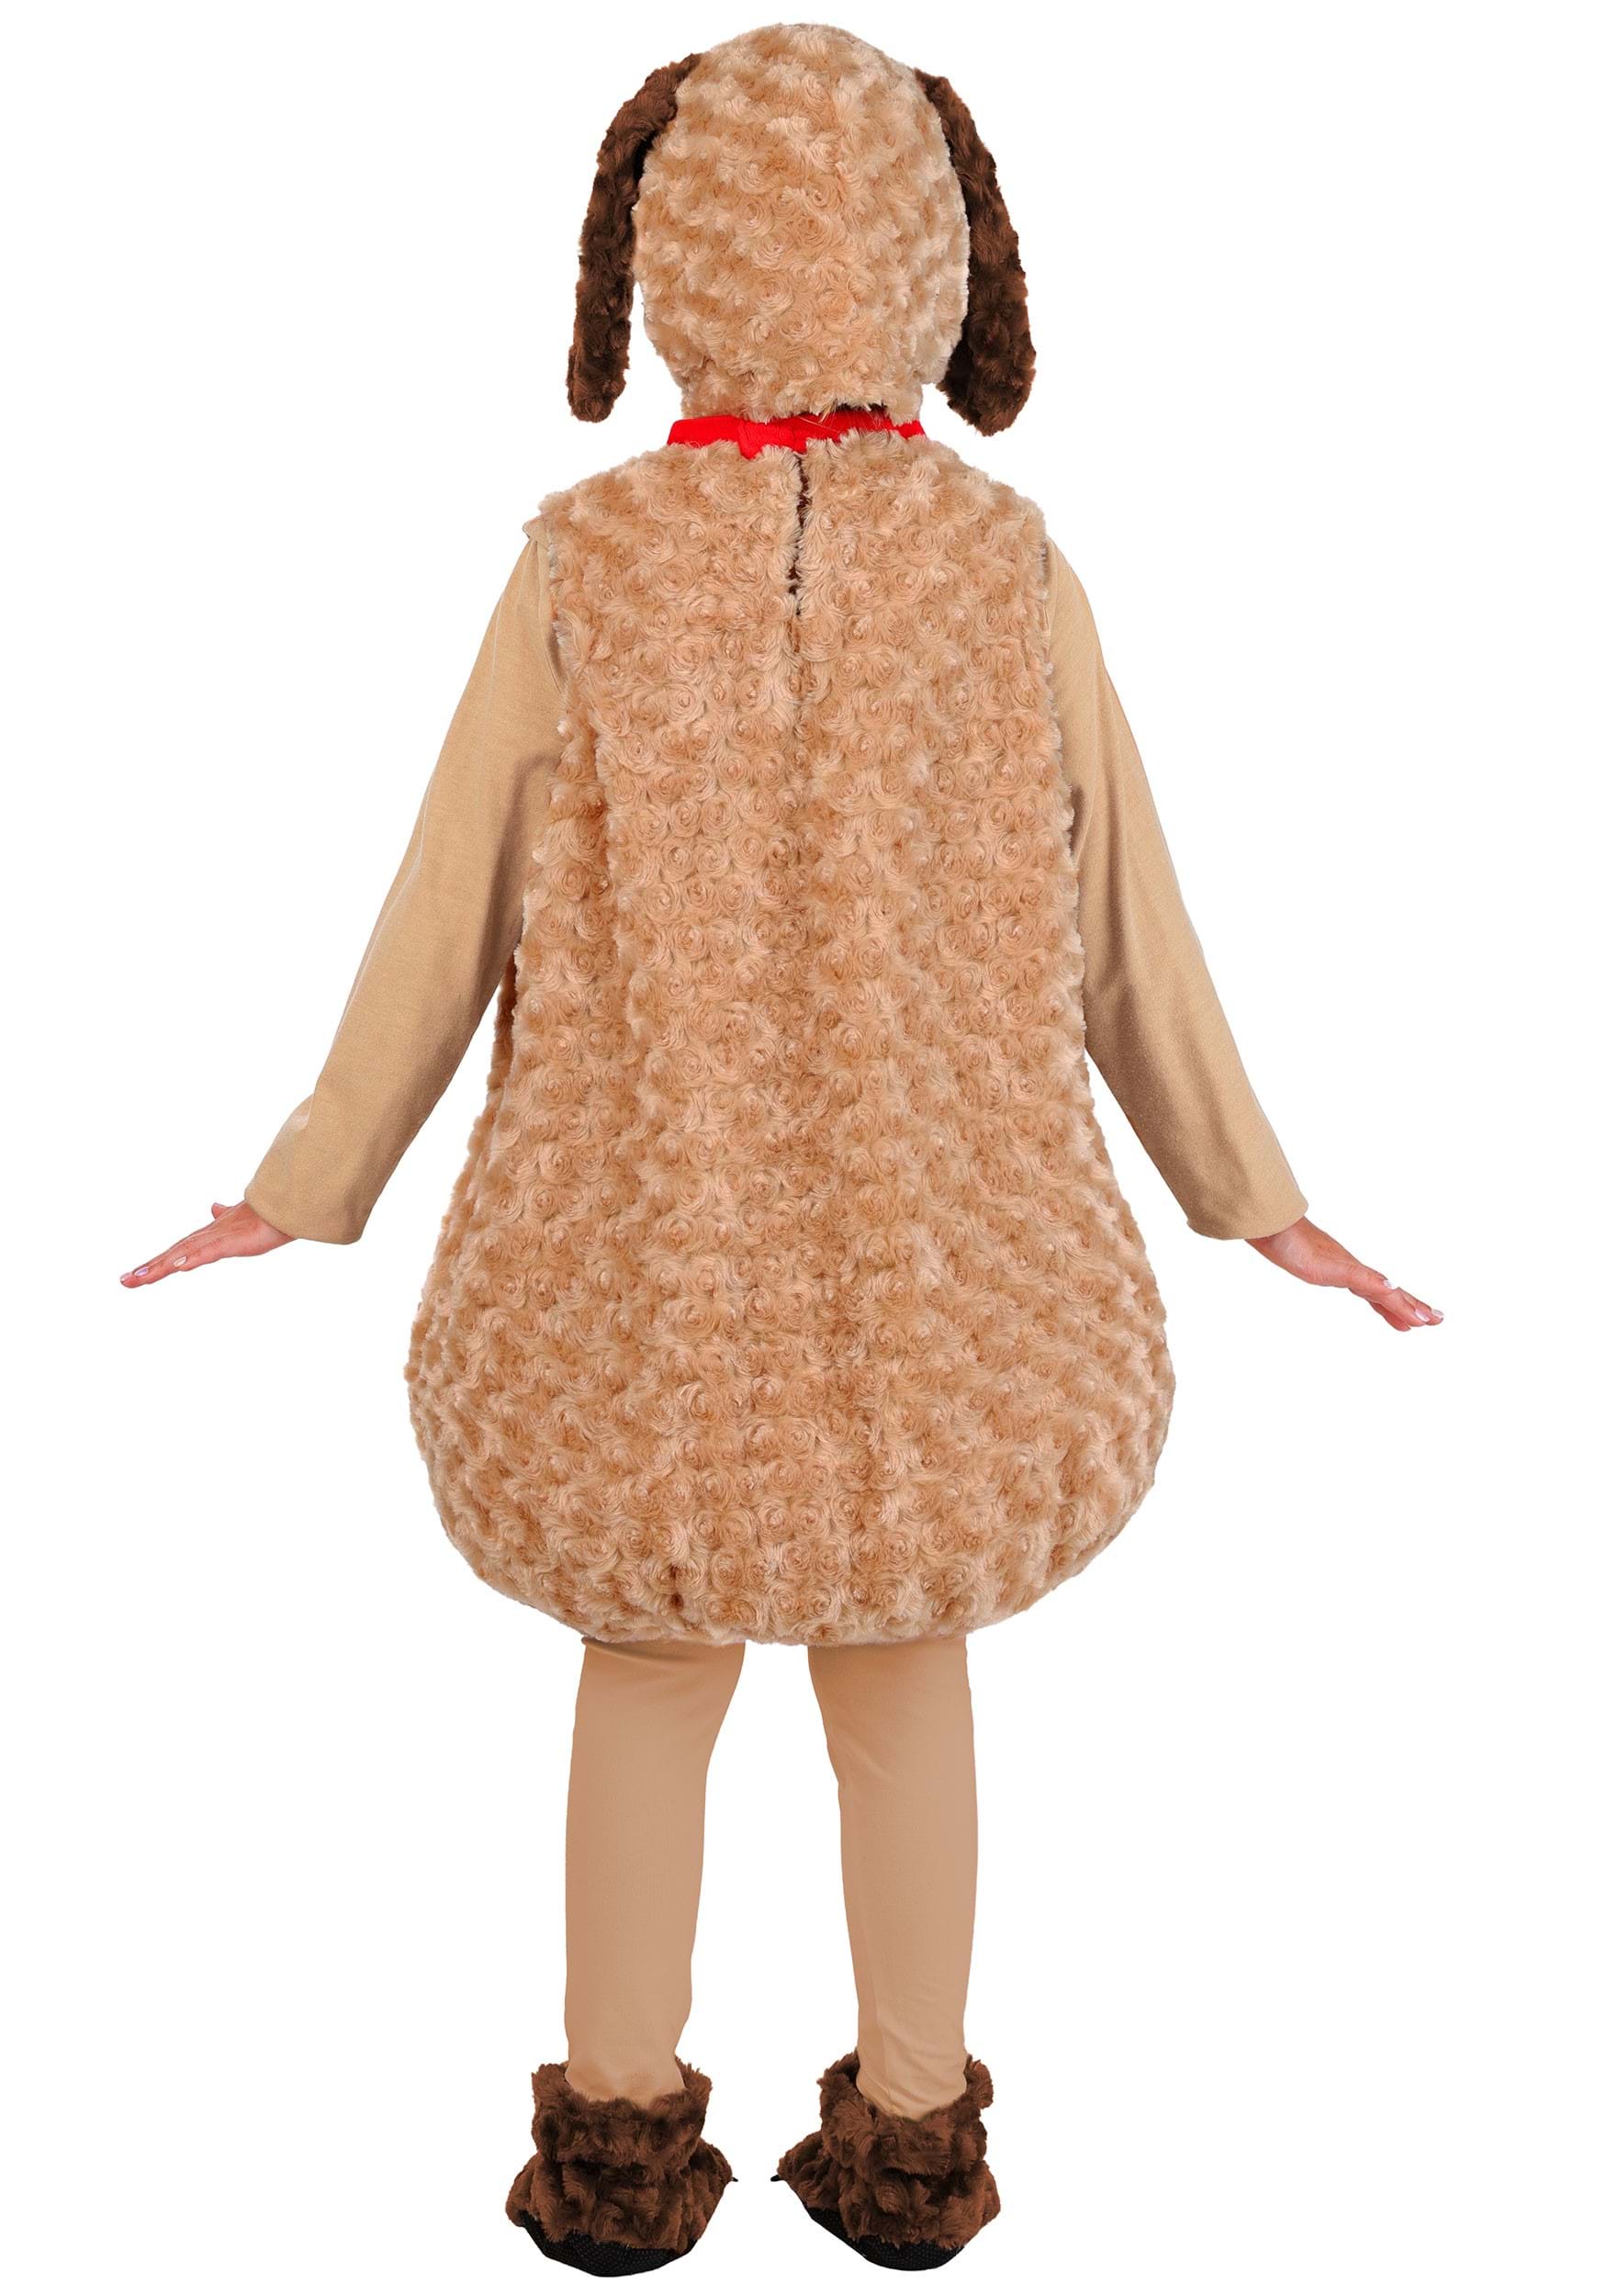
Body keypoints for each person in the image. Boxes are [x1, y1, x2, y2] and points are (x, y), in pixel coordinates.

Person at [122, 23, 1440, 2278]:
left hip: (646, 1231)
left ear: (660, 258)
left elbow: (450, 891)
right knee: (901, 1655)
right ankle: (913, 2147)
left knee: (648, 1661)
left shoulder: (589, 558)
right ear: (944, 256)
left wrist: (311, 1174)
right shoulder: (1002, 565)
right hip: (945, 1238)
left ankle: (615, 2152)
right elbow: (1122, 904)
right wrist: (1249, 1195)